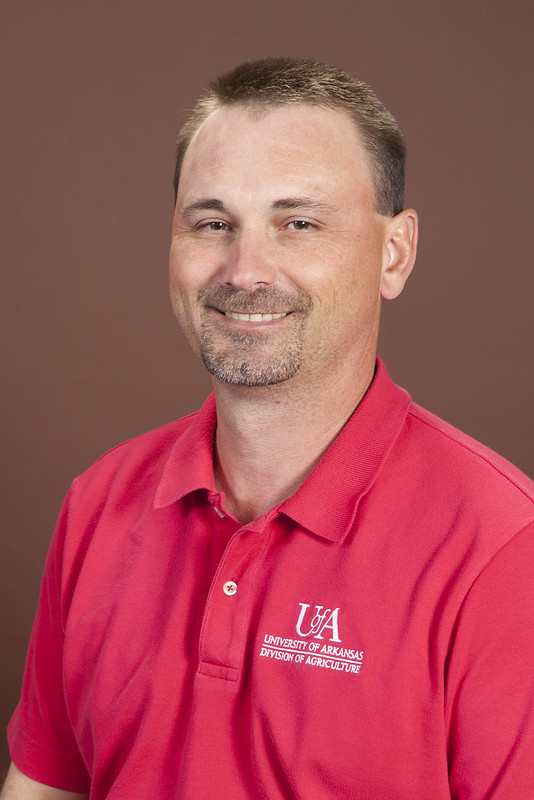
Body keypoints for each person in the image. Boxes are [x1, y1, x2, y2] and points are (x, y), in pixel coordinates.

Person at [2, 57, 533, 800]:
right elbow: (44, 787)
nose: (245, 269)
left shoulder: (504, 549)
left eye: (299, 223)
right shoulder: (98, 502)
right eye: (214, 222)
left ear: (395, 252)